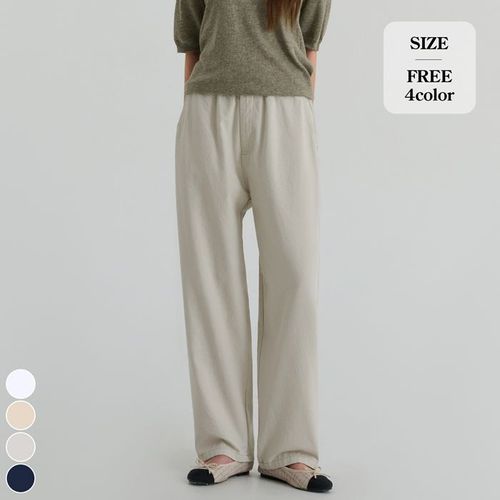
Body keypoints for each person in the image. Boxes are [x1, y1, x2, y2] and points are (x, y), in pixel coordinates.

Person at [174, 0, 333, 493]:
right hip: (209, 112)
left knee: (295, 279)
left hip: (285, 112)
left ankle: (290, 449)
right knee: (210, 277)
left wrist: (295, 110)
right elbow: (191, 40)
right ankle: (224, 443)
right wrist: (196, 112)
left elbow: (309, 43)